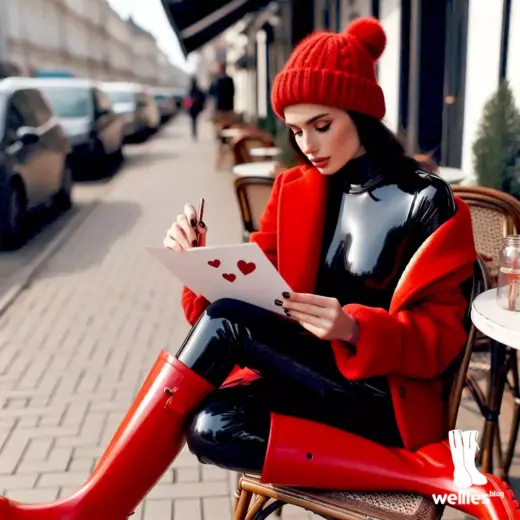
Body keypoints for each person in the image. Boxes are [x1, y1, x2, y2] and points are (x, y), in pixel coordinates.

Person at [3, 17, 518, 520]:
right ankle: (427, 475)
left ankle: (92, 507)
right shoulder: (295, 190)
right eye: (296, 131)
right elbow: (254, 289)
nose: (307, 146)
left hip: (382, 399)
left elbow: (443, 341)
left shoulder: (425, 202)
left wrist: (355, 326)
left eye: (322, 125)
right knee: (209, 427)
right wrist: (199, 265)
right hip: (307, 378)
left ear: (360, 113)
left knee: (227, 323)